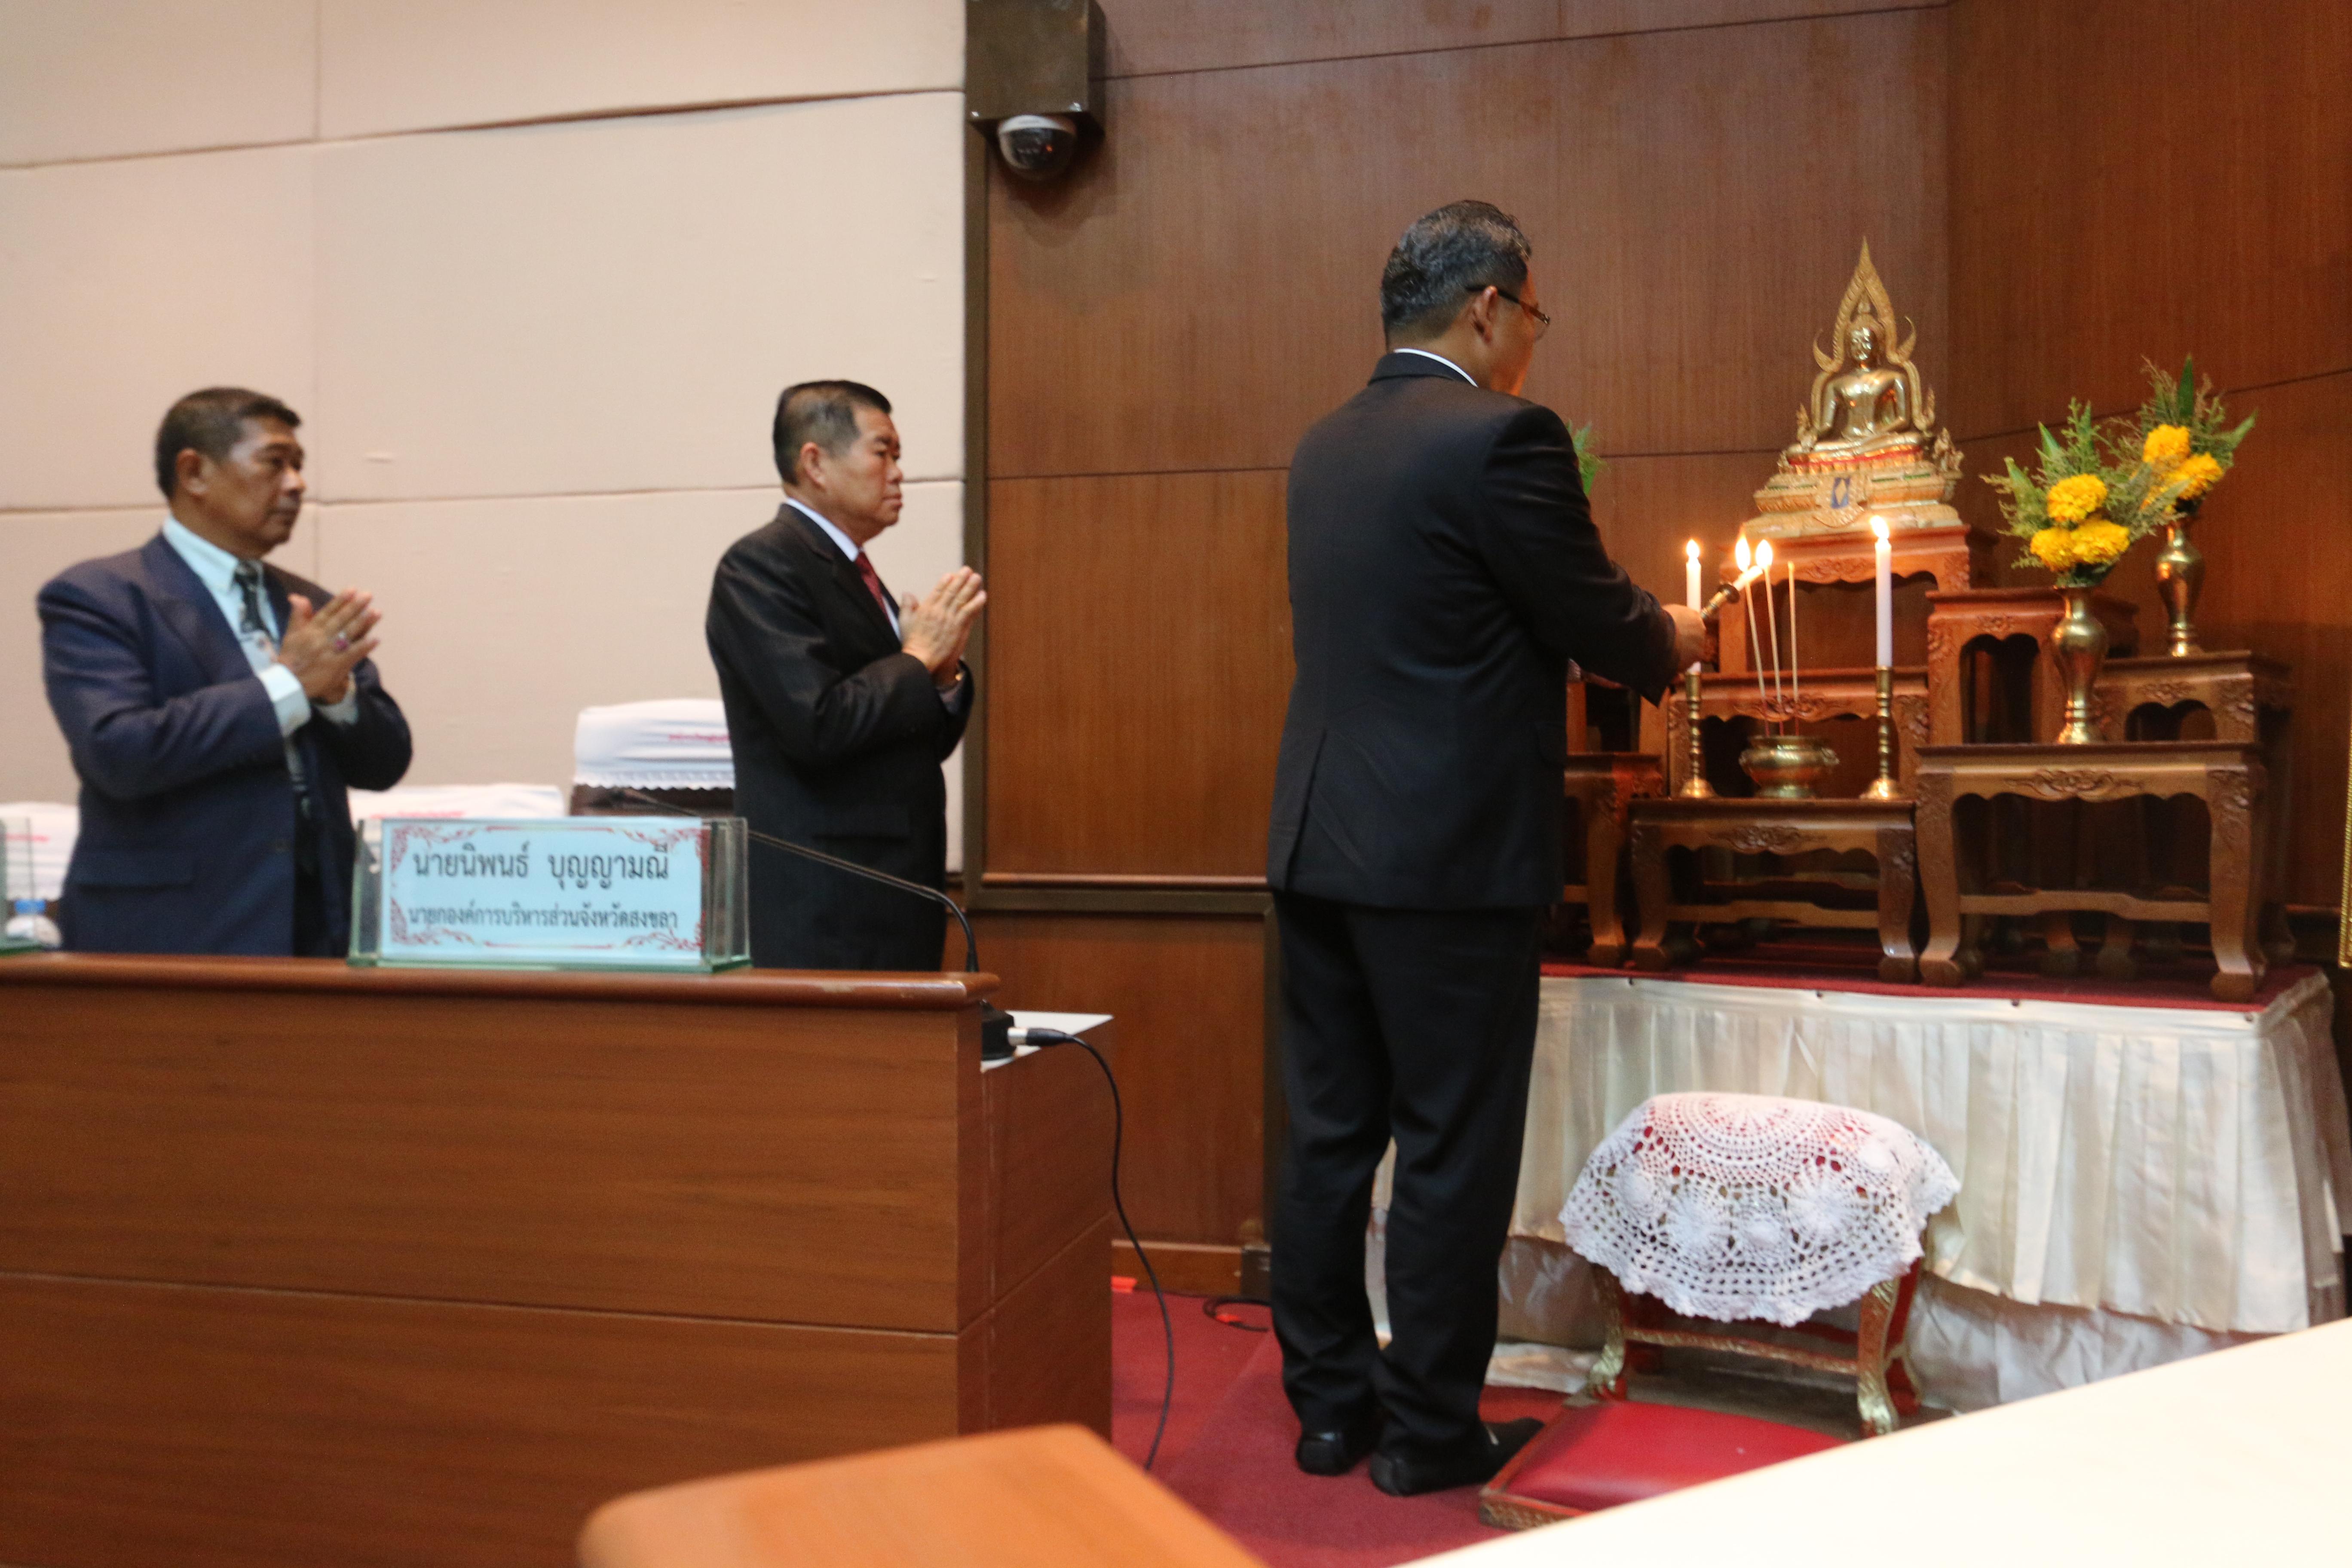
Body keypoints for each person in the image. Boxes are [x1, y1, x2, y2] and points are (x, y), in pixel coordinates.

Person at [1266, 202, 1706, 1495]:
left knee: (1327, 1139)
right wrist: (1672, 635)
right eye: (1534, 318)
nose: (1530, 345)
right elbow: (1592, 614)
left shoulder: (1323, 445)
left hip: (1318, 842)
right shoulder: (1504, 437)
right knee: (1450, 1146)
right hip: (1445, 859)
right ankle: (1427, 1434)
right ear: (1488, 308)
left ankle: (1330, 1412)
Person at [39, 387, 411, 956]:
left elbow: (385, 765)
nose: (297, 484)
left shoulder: (309, 604)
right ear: (194, 473)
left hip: (319, 928)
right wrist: (290, 686)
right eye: (275, 462)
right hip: (170, 932)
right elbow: (119, 752)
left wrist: (337, 697)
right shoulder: (99, 597)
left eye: (299, 465)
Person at [706, 381, 983, 970]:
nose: (899, 473)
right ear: (816, 464)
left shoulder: (855, 572)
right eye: (883, 453)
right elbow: (818, 725)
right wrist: (914, 660)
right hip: (825, 906)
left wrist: (942, 677)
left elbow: (916, 743)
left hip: (895, 892)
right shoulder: (762, 565)